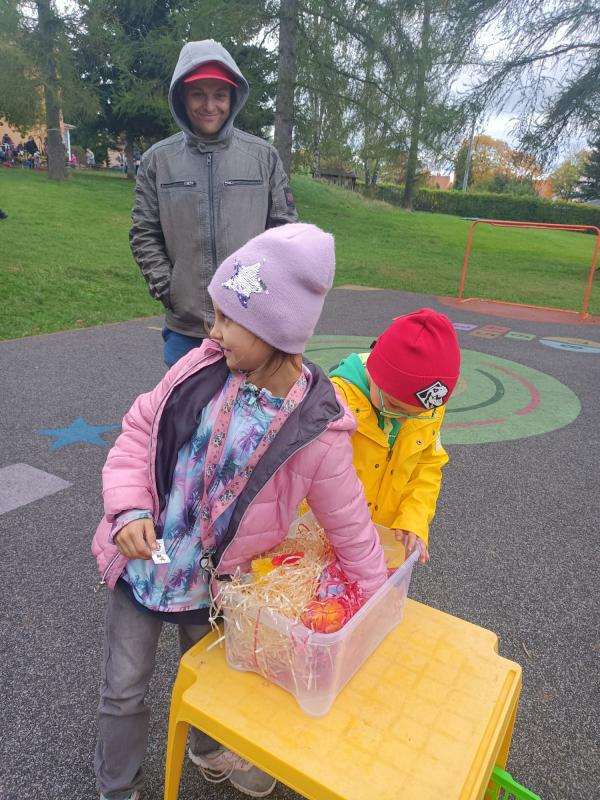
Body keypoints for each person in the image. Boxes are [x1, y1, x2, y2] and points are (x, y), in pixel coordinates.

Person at [92, 223, 388, 800]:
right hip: (142, 563)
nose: (213, 330)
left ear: (276, 331)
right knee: (123, 687)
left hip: (214, 586)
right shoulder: (199, 368)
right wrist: (127, 510)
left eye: (229, 319)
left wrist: (375, 607)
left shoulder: (316, 430)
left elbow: (350, 524)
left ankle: (208, 746)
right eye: (216, 314)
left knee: (216, 681)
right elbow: (138, 430)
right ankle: (117, 785)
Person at [129, 39, 298, 369]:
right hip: (186, 331)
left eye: (219, 95)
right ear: (182, 97)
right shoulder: (157, 161)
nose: (210, 106)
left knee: (251, 404)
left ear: (233, 98)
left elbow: (284, 230)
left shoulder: (263, 157)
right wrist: (169, 289)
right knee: (186, 404)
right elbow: (144, 233)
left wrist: (259, 292)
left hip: (251, 327)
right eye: (198, 94)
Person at [329, 308, 461, 565]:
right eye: (394, 406)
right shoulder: (335, 403)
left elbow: (427, 466)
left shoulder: (429, 408)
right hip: (330, 541)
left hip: (385, 547)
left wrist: (414, 519)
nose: (403, 420)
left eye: (416, 414)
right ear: (375, 372)